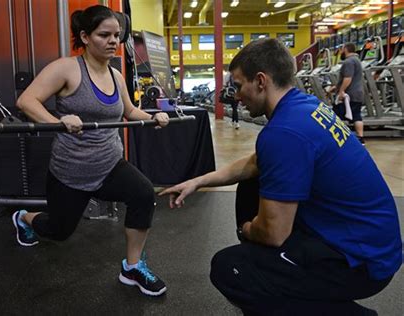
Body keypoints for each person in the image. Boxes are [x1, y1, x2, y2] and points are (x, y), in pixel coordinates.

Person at [160, 39, 402, 315]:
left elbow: (273, 234)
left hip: (363, 263)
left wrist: (247, 229)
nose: (236, 96)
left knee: (231, 268)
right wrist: (198, 181)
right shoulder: (305, 105)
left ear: (261, 81)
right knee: (252, 181)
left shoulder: (284, 132)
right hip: (372, 245)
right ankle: (278, 276)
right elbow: (254, 163)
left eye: (239, 86)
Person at [12, 5, 168, 297]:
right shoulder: (66, 68)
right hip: (71, 170)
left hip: (109, 164)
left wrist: (152, 118)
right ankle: (24, 218)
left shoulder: (116, 75)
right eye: (104, 35)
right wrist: (57, 121)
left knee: (143, 194)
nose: (113, 41)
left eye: (117, 36)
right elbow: (27, 101)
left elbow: (130, 110)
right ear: (84, 36)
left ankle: (132, 267)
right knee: (58, 231)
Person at [330, 42, 365, 145]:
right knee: (356, 115)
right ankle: (360, 138)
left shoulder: (348, 62)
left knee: (336, 114)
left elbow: (348, 79)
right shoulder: (357, 60)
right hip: (357, 93)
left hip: (349, 94)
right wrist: (335, 87)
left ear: (345, 49)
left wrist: (341, 91)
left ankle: (337, 136)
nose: (341, 51)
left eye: (342, 49)